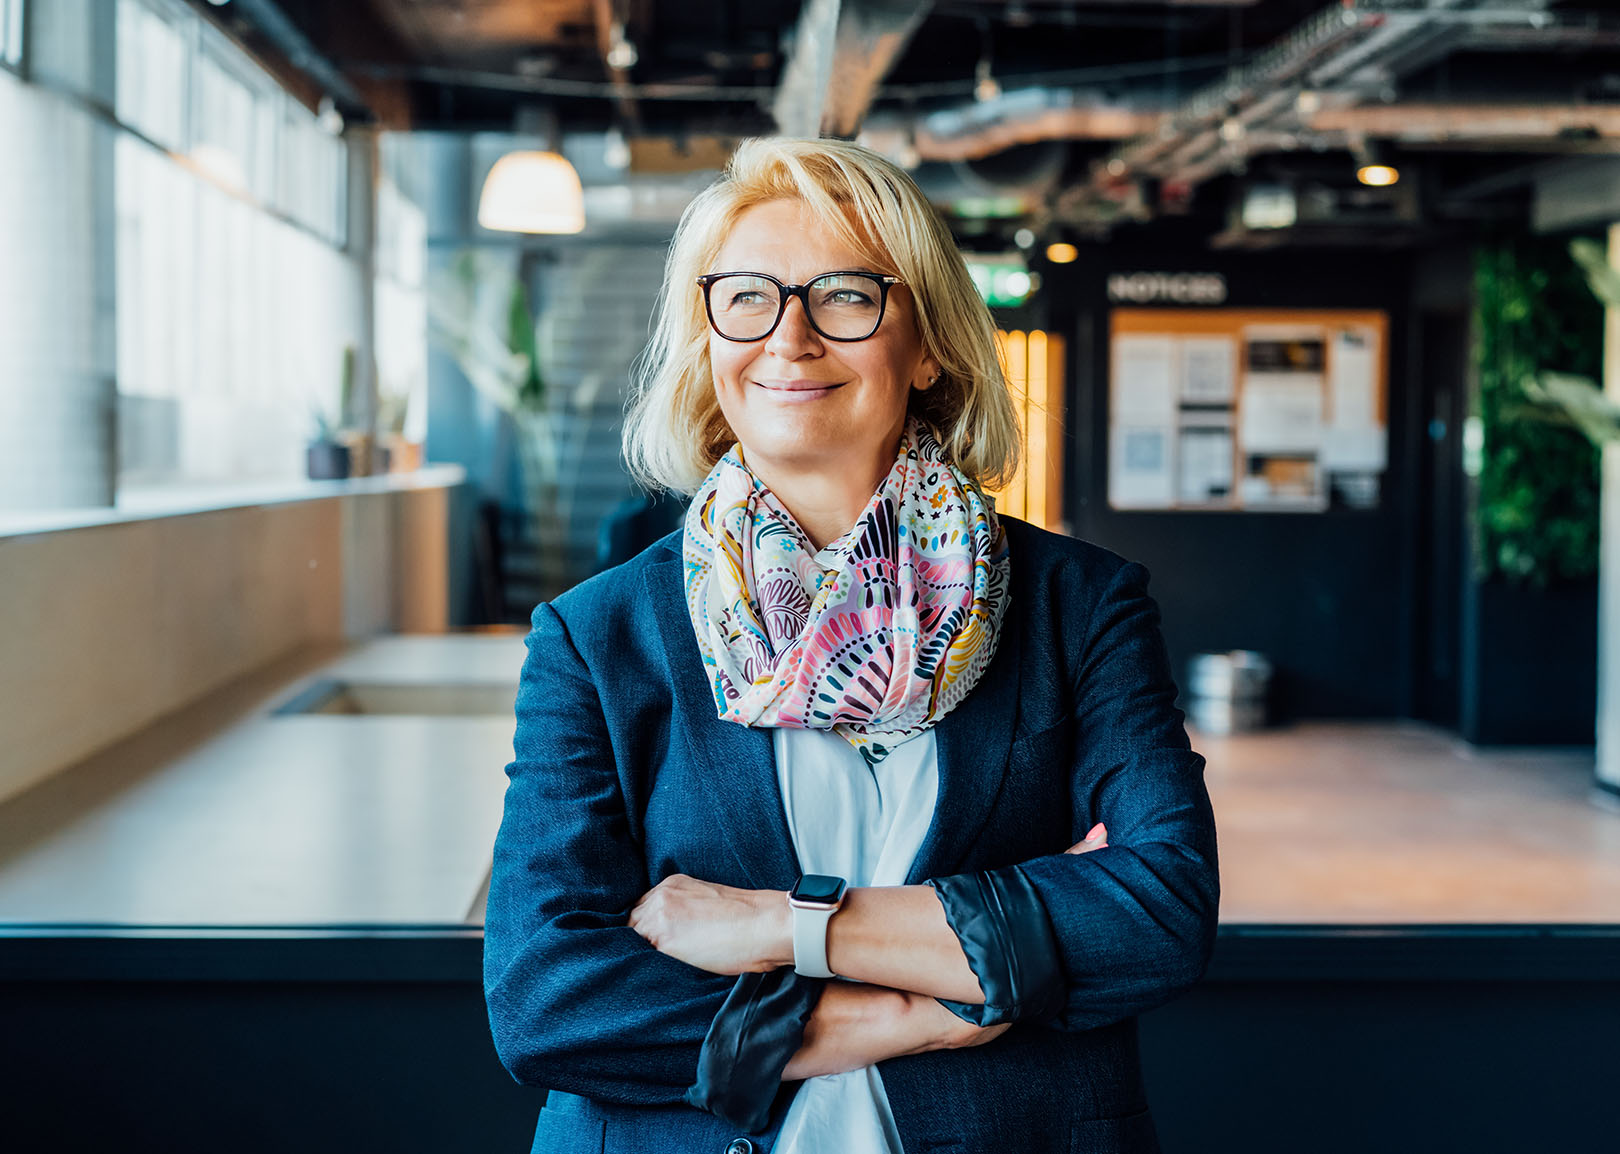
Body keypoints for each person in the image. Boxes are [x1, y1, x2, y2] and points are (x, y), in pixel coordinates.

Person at [484, 137, 1219, 1154]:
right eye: (747, 296)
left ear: (927, 344)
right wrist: (902, 1010)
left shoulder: (1078, 605)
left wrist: (784, 926)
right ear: (708, 337)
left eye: (844, 295)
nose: (789, 338)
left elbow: (1162, 907)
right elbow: (545, 996)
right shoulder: (600, 633)